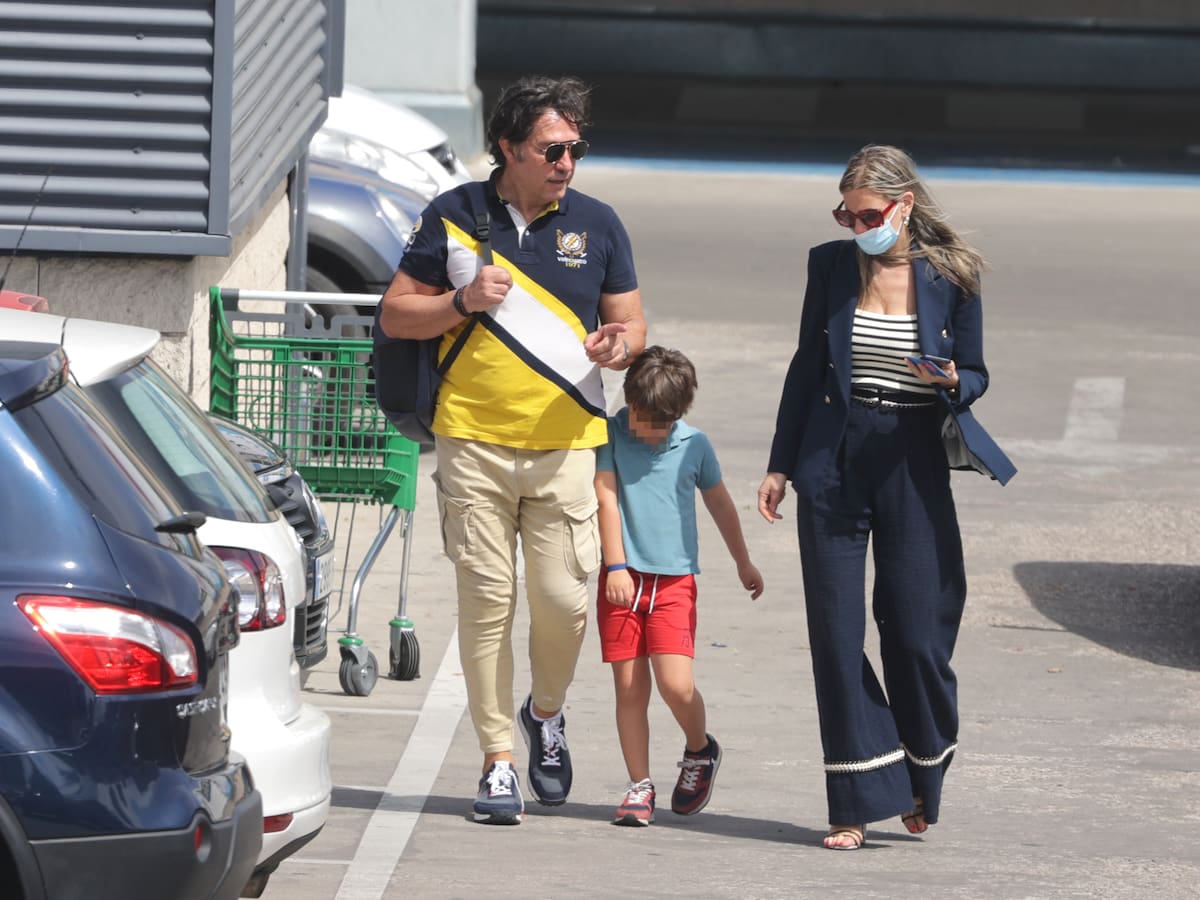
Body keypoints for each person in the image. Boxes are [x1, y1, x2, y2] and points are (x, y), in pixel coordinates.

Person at [379, 74, 647, 825]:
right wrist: (460, 301)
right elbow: (395, 315)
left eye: (576, 149)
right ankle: (497, 759)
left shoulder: (597, 223)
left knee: (563, 605)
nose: (567, 163)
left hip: (567, 444)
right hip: (471, 441)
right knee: (487, 602)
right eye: (552, 149)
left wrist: (619, 346)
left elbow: (633, 324)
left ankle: (545, 713)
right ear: (508, 147)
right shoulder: (453, 215)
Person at [756, 144, 1013, 850]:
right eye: (846, 215)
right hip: (833, 459)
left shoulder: (951, 274)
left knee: (916, 633)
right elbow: (807, 367)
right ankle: (856, 799)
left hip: (912, 458)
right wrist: (781, 464)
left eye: (867, 215)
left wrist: (952, 379)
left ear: (904, 206)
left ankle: (922, 770)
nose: (856, 226)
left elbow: (977, 373)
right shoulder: (831, 266)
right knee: (836, 638)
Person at [594, 346, 763, 827]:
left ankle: (699, 749)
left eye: (660, 423)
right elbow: (606, 498)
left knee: (675, 685)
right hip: (622, 581)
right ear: (629, 401)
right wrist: (616, 566)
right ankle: (639, 785)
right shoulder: (609, 434)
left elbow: (720, 505)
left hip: (674, 584)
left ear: (678, 414)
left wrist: (743, 561)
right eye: (642, 418)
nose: (649, 430)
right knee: (630, 689)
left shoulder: (694, 445)